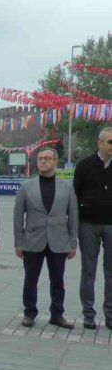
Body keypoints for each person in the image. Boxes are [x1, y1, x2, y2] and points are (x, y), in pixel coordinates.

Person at [13, 146, 78, 329]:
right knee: (30, 279)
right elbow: (18, 216)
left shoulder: (67, 187)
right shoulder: (27, 186)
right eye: (40, 158)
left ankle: (57, 314)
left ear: (55, 162)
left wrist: (73, 243)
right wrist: (18, 242)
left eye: (47, 158)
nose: (43, 161)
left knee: (58, 280)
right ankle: (29, 313)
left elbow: (73, 216)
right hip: (32, 241)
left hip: (59, 241)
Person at [74, 126, 112, 330]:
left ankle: (110, 314)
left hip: (111, 225)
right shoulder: (84, 166)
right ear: (100, 143)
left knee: (111, 272)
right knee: (88, 270)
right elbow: (75, 194)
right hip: (88, 224)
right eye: (110, 142)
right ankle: (88, 313)